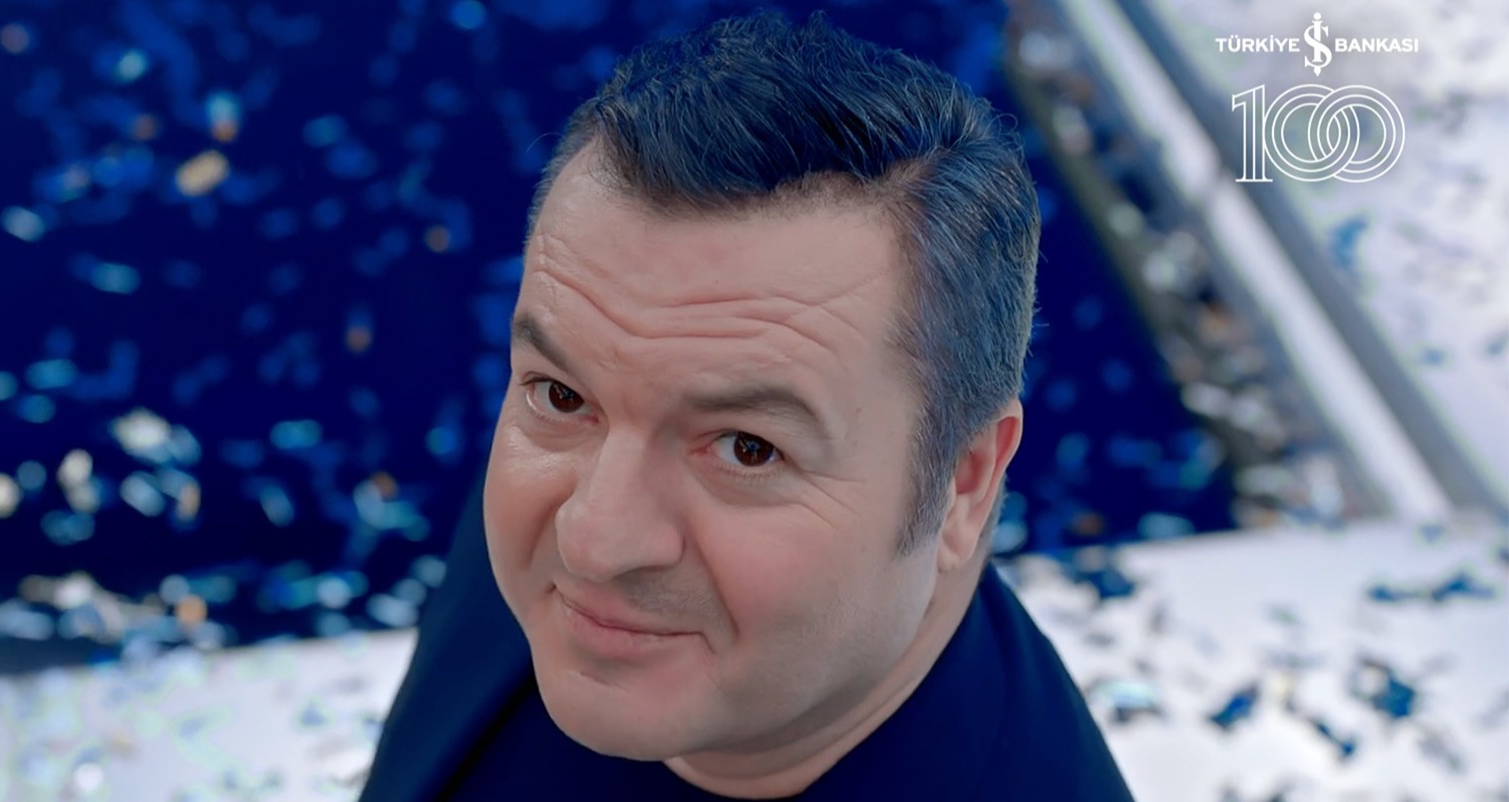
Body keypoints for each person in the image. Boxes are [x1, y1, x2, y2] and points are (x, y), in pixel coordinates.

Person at [359, 11, 1134, 801]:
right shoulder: (569, 480)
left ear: (963, 482)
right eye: (562, 395)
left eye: (746, 448)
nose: (591, 540)